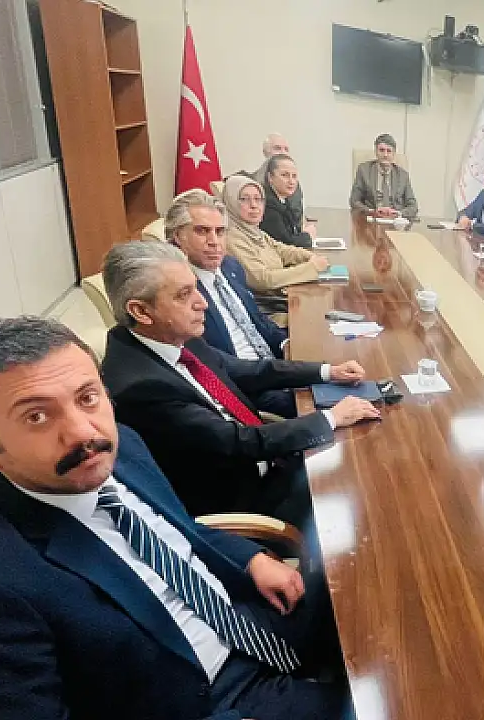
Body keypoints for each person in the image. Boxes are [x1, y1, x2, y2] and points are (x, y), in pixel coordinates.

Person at [0, 316, 348, 719]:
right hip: (209, 701)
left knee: (379, 590)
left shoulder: (118, 448)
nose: (83, 431)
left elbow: (179, 530)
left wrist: (250, 558)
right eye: (37, 416)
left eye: (87, 397)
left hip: (247, 620)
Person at [98, 241, 380, 529]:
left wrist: (326, 371)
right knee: (360, 502)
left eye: (196, 288)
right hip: (242, 501)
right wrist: (331, 418)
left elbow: (246, 370)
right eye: (184, 295)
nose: (202, 302)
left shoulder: (170, 335)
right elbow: (237, 442)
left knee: (361, 467)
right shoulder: (141, 387)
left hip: (266, 462)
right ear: (141, 312)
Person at [166, 190, 301, 419]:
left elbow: (257, 320)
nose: (214, 242)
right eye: (202, 231)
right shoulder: (180, 290)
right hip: (245, 385)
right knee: (327, 404)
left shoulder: (230, 266)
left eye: (220, 232)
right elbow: (211, 364)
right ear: (178, 236)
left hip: (274, 364)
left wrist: (286, 344)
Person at [222, 175, 328, 313]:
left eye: (258, 199)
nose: (254, 205)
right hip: (266, 310)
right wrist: (311, 268)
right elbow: (263, 280)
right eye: (244, 199)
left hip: (280, 298)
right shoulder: (232, 238)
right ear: (231, 203)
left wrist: (310, 257)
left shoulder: (253, 230)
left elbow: (281, 250)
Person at [349, 133, 418, 220]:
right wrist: (372, 211)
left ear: (394, 154)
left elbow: (413, 206)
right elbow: (354, 201)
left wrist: (398, 213)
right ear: (376, 152)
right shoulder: (364, 170)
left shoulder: (403, 175)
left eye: (389, 151)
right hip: (372, 219)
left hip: (395, 221)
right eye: (381, 150)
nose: (385, 155)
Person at [260, 154, 315, 249]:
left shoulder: (284, 199)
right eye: (285, 175)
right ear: (270, 177)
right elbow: (285, 243)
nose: (291, 181)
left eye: (294, 176)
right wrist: (307, 236)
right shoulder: (268, 206)